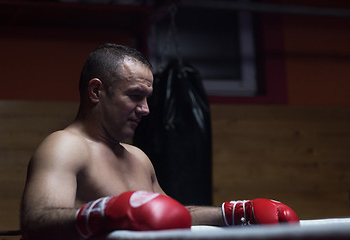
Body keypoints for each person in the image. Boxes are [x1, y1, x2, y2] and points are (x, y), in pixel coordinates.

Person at [20, 43, 298, 240]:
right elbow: (36, 221)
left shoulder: (137, 157)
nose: (146, 109)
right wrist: (106, 212)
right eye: (135, 95)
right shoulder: (66, 146)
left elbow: (173, 214)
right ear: (96, 91)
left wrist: (234, 212)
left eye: (148, 98)